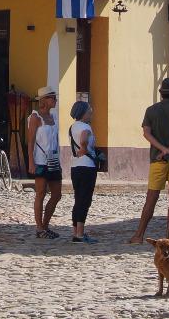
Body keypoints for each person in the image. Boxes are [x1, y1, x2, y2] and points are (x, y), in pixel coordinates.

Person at [129, 77, 169, 244]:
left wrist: (163, 150)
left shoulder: (151, 110)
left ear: (161, 93)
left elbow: (146, 133)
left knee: (151, 198)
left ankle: (139, 234)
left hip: (158, 159)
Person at [26, 86, 63, 239]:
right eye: (53, 97)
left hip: (54, 160)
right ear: (45, 100)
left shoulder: (53, 117)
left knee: (57, 194)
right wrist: (31, 162)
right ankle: (39, 228)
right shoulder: (35, 118)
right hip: (41, 160)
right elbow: (31, 141)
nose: (55, 100)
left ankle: (45, 225)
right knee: (40, 193)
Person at [67, 99, 100, 243]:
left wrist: (80, 150)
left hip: (75, 166)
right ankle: (80, 233)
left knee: (77, 198)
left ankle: (75, 231)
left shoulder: (72, 127)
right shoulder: (86, 127)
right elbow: (84, 138)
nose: (91, 113)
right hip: (87, 166)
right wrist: (84, 148)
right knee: (85, 200)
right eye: (89, 111)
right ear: (83, 113)